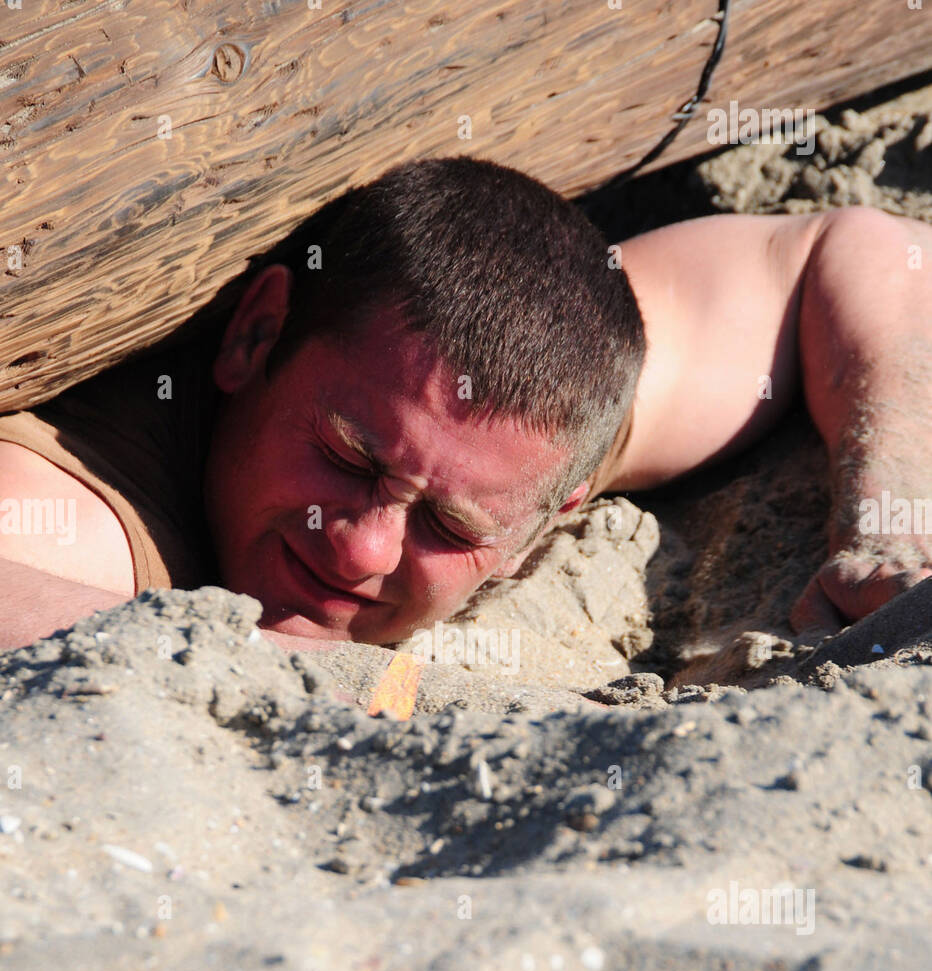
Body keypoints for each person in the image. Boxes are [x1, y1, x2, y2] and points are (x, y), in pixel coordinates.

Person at [0, 155, 930, 653]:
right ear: (255, 337)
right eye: (349, 459)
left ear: (545, 524)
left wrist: (891, 526)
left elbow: (852, 255)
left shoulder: (543, 423)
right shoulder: (82, 518)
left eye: (449, 524)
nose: (360, 547)